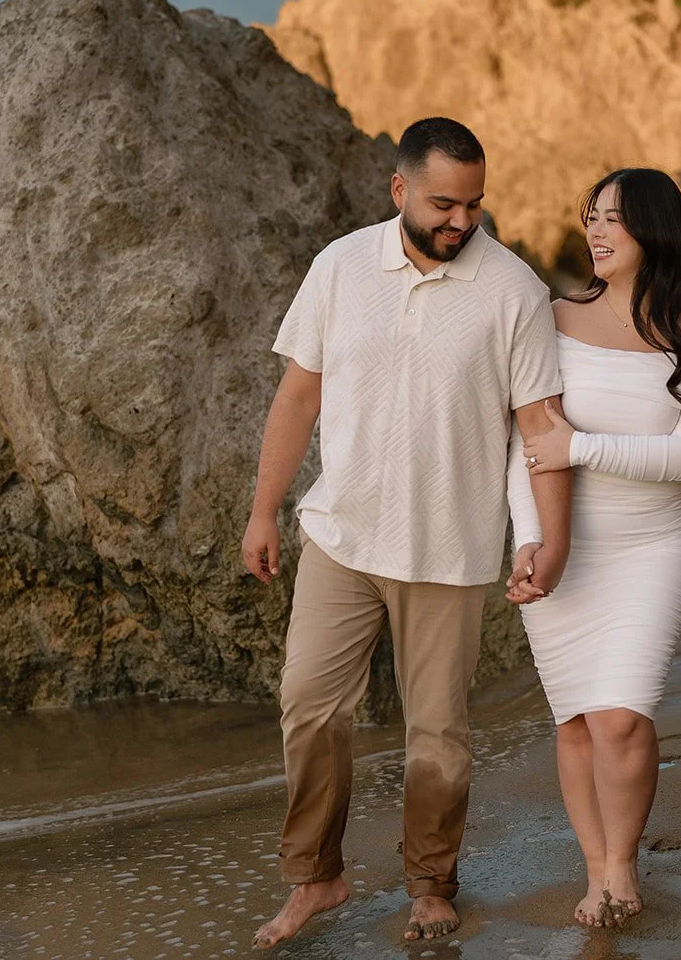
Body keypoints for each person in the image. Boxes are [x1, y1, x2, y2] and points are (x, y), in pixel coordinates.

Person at [242, 117, 573, 948]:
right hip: (341, 534)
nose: (461, 221)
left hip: (450, 548)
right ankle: (316, 877)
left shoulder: (515, 292)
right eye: (442, 204)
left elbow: (540, 427)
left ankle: (431, 883)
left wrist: (548, 536)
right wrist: (263, 509)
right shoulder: (341, 266)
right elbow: (297, 398)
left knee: (438, 732)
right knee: (308, 705)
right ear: (399, 190)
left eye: (474, 205)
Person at [504, 167, 681, 928]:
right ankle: (597, 871)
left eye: (615, 218)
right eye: (592, 216)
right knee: (577, 721)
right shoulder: (550, 317)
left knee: (620, 714)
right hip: (560, 545)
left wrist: (580, 446)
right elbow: (525, 446)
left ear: (655, 229)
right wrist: (531, 538)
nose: (596, 230)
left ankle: (625, 864)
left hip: (650, 547)